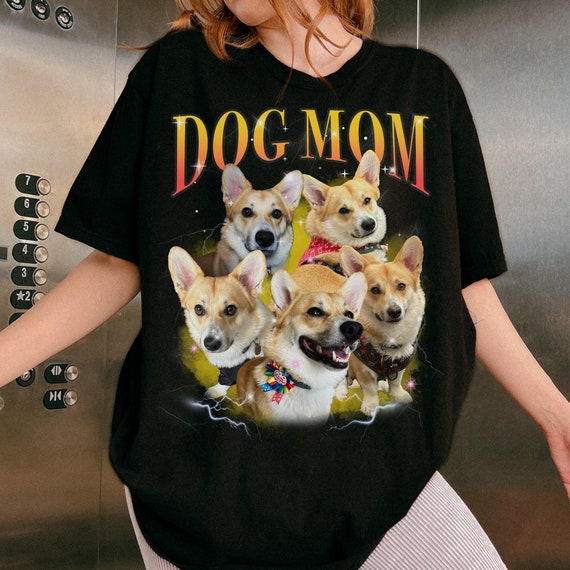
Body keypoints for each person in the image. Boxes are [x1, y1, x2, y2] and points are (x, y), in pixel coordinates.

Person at [1, 0, 569, 568]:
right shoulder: (176, 71)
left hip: (378, 480)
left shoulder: (424, 87)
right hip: (202, 487)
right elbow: (115, 262)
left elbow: (460, 282)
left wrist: (555, 414)